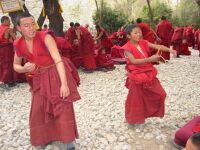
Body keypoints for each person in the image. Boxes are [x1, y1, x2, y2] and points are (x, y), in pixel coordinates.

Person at [13, 12, 81, 150]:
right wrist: (23, 68)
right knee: (38, 109)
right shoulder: (18, 43)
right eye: (26, 26)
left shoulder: (45, 36)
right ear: (19, 28)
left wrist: (64, 84)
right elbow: (15, 66)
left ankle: (68, 140)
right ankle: (44, 137)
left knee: (62, 106)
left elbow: (58, 59)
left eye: (33, 24)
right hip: (39, 77)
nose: (31, 28)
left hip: (55, 72)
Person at [122, 24, 176, 124]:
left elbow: (157, 46)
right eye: (135, 33)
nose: (139, 34)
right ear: (129, 36)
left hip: (148, 73)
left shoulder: (144, 42)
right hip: (136, 76)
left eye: (140, 32)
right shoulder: (127, 48)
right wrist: (150, 59)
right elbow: (133, 61)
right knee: (135, 99)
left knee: (161, 94)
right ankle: (131, 118)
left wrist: (170, 50)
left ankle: (147, 113)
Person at [0, 16, 16, 87]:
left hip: (1, 49)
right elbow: (15, 39)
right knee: (9, 64)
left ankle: (2, 79)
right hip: (7, 48)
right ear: (5, 21)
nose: (10, 22)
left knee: (3, 64)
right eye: (8, 20)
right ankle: (9, 81)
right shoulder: (8, 29)